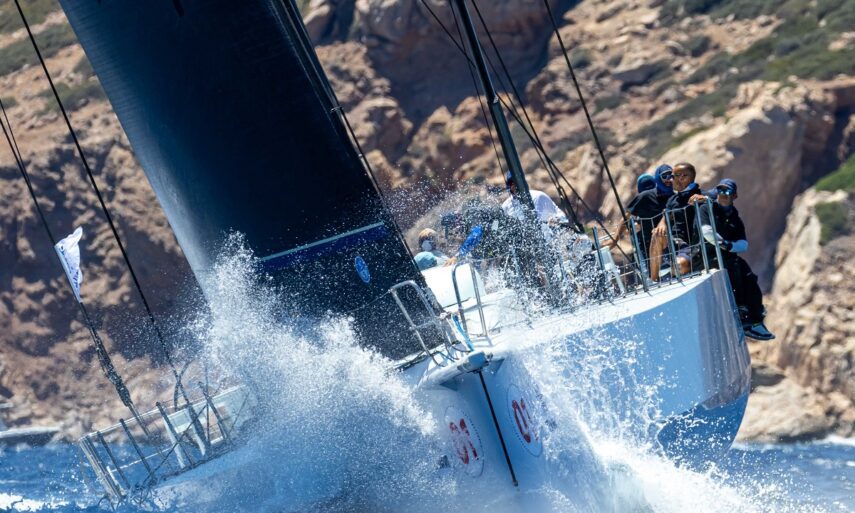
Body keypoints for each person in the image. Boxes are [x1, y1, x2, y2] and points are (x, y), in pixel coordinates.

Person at [700, 179, 775, 341]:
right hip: (707, 255)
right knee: (733, 270)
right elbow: (706, 230)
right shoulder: (707, 208)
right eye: (720, 190)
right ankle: (740, 311)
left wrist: (729, 246)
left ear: (734, 196)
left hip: (726, 254)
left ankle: (756, 320)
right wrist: (722, 243)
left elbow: (743, 244)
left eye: (727, 192)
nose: (723, 194)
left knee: (750, 277)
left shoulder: (735, 217)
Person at [648, 162, 706, 281]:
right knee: (656, 234)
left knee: (679, 265)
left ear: (682, 177)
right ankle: (653, 280)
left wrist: (705, 199)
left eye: (672, 176)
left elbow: (715, 199)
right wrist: (662, 225)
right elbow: (665, 217)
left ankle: (674, 268)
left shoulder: (701, 195)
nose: (670, 180)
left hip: (693, 245)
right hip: (676, 243)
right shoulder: (673, 200)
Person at [608, 164, 674, 262]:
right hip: (653, 246)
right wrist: (616, 239)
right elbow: (627, 218)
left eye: (672, 176)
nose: (669, 179)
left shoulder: (674, 197)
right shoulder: (645, 197)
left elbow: (626, 221)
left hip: (668, 243)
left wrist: (616, 238)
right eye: (665, 176)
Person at [501, 171, 567, 225]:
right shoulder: (505, 206)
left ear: (523, 182)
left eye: (517, 181)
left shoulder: (539, 196)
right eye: (511, 183)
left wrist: (555, 219)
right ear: (508, 186)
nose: (515, 185)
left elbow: (564, 218)